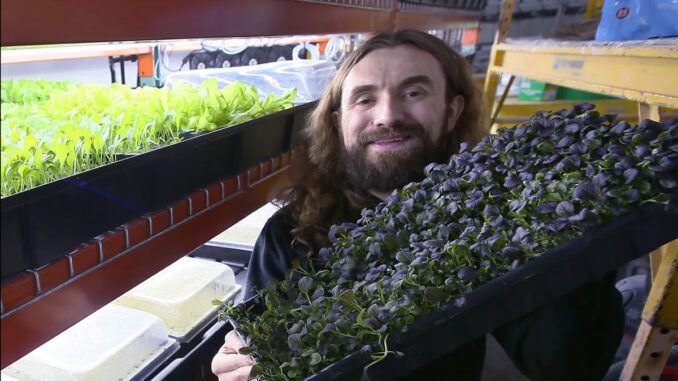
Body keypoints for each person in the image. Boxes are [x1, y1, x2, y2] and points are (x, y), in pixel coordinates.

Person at [211, 29, 624, 381]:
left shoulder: (491, 225)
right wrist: (243, 362)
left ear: (451, 111)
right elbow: (256, 348)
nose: (388, 115)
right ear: (338, 121)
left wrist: (579, 244)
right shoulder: (291, 231)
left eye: (413, 92)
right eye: (365, 99)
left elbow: (564, 364)